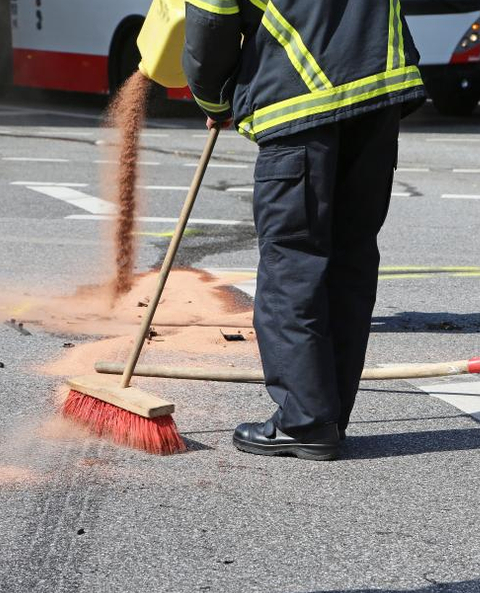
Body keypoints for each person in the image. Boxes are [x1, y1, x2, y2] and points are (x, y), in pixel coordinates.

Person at [182, 0, 425, 459]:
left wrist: (214, 97)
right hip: (379, 95)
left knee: (293, 264)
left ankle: (307, 421)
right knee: (350, 260)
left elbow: (210, 21)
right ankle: (328, 415)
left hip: (298, 101)